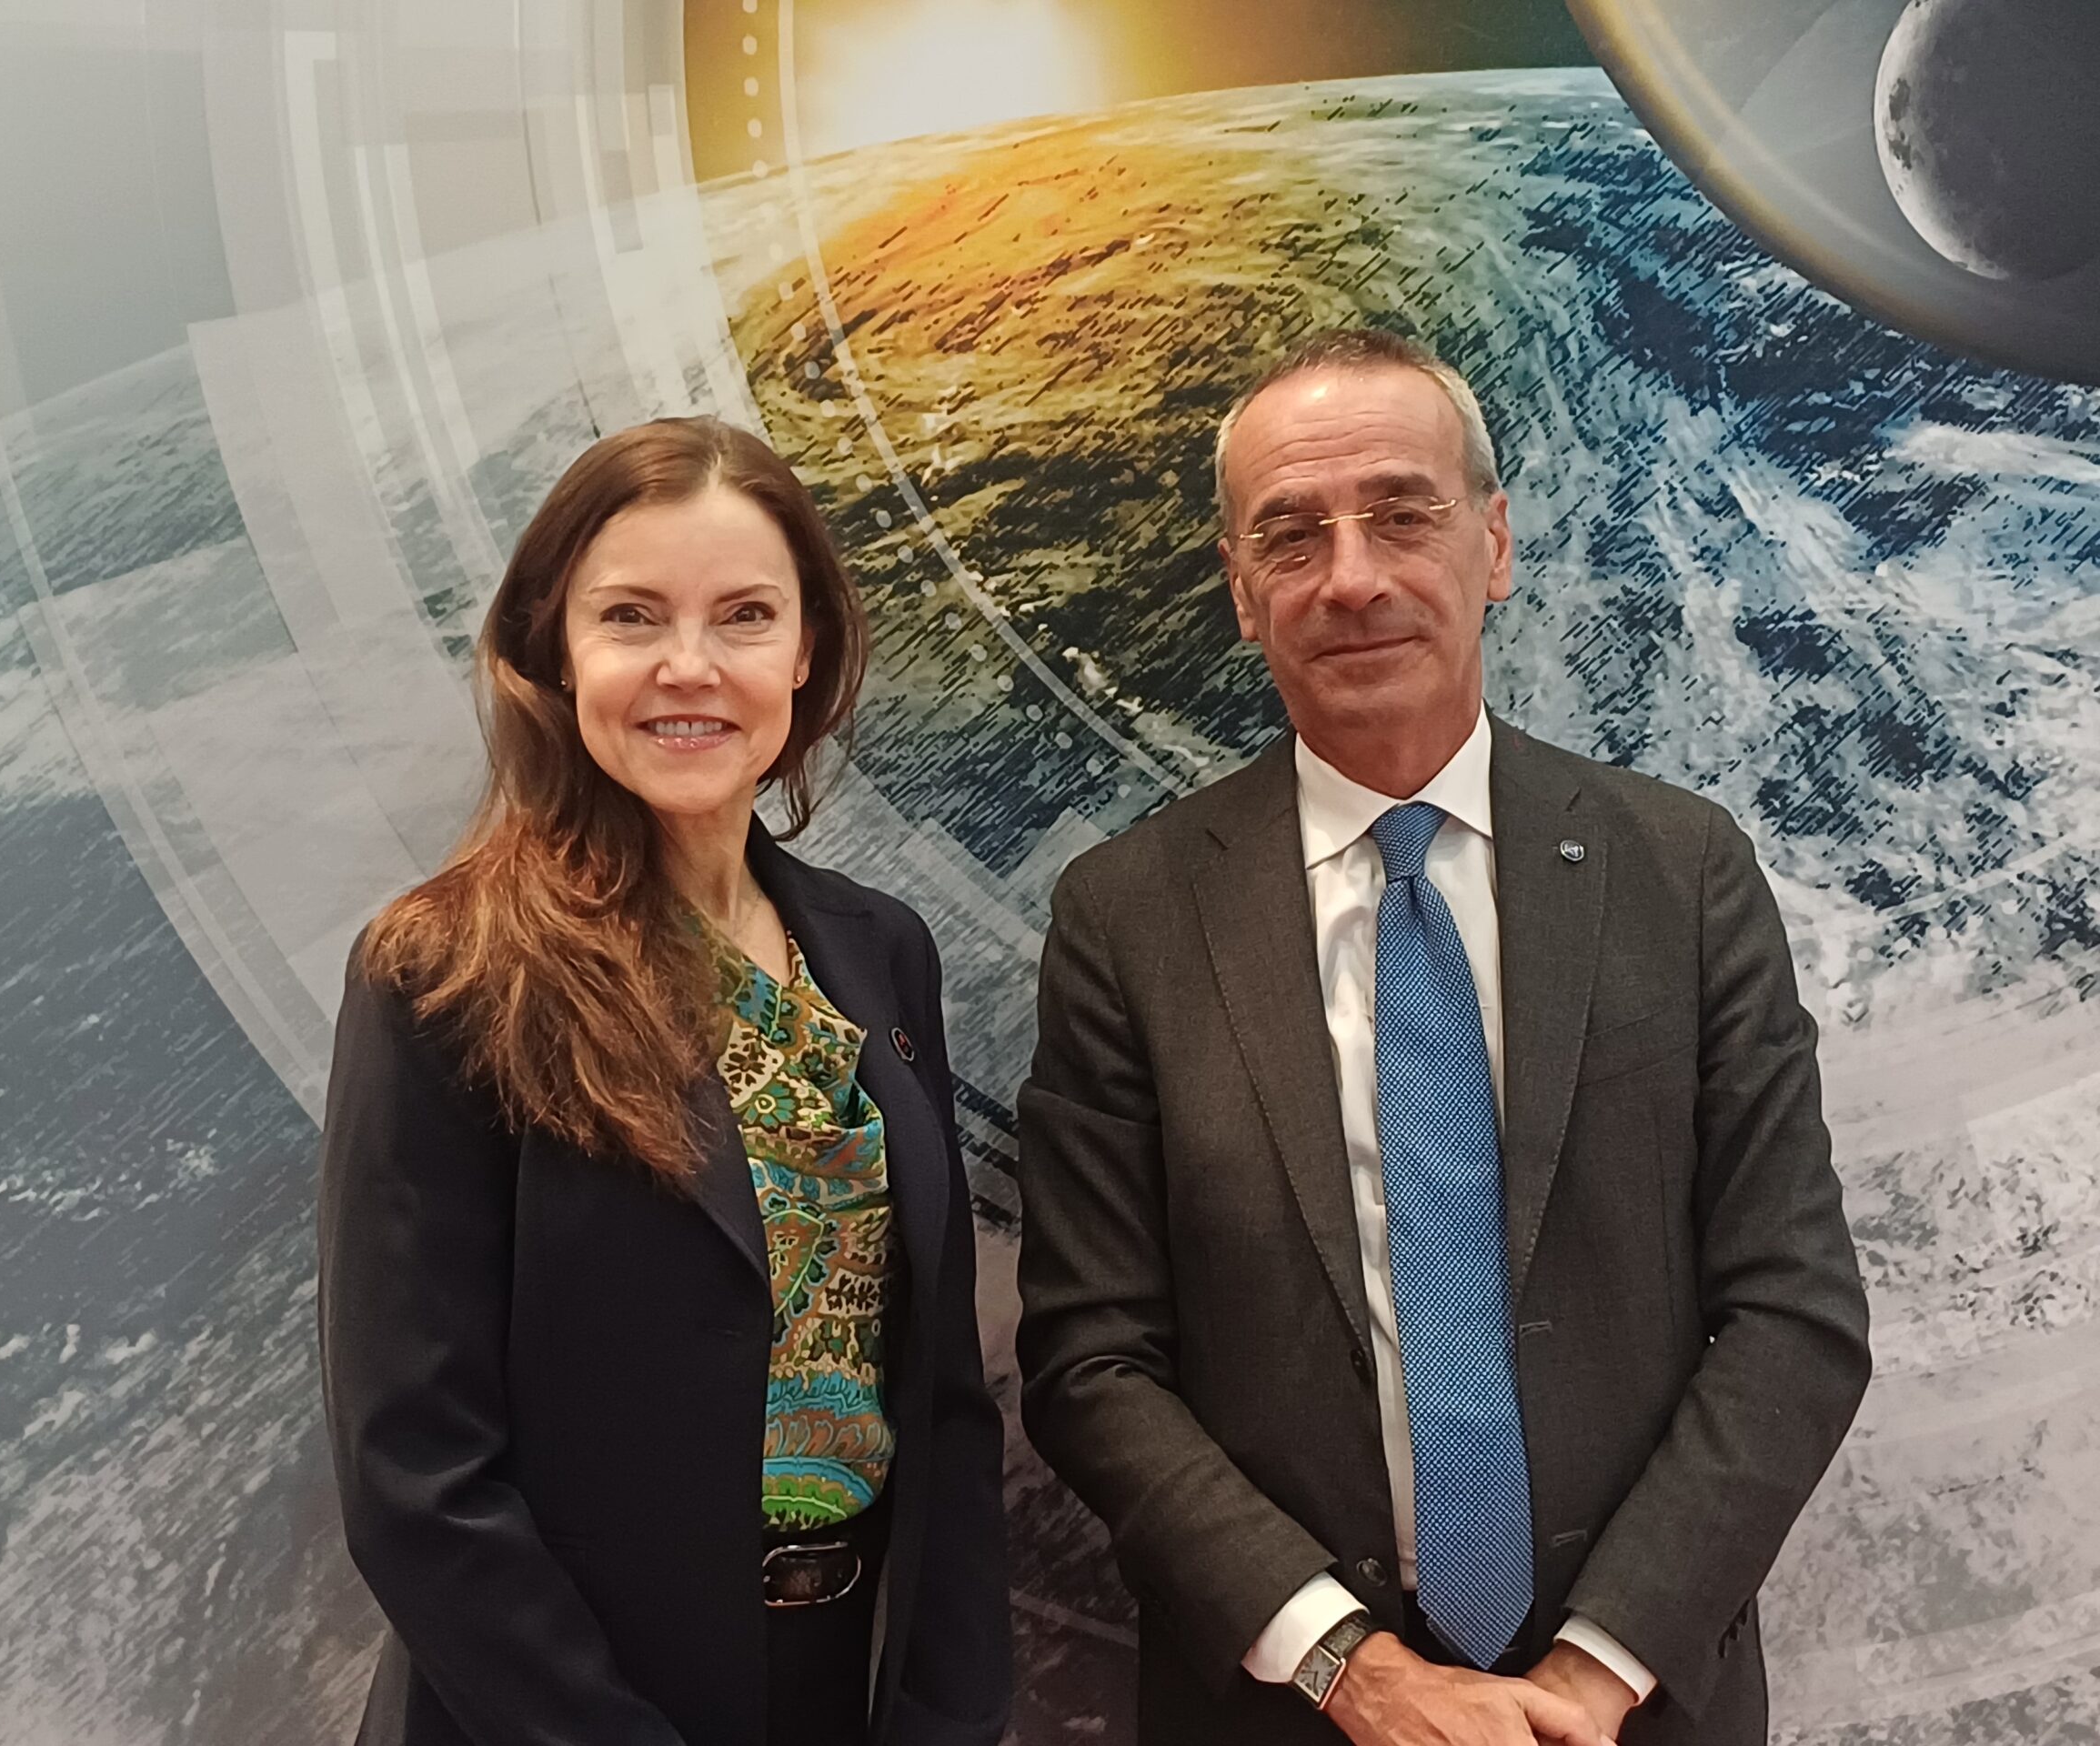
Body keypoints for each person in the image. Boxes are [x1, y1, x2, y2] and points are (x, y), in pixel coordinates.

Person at [1012, 328, 1870, 1746]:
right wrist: (1354, 1672)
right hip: (1289, 1712)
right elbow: (1093, 1356)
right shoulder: (1127, 917)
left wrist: (1592, 1676)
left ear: (1495, 543)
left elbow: (1796, 1312)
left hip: (1636, 1707)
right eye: (1292, 535)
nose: (1351, 576)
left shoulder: (1682, 871)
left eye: (1403, 515)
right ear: (1241, 590)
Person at [318, 416, 1011, 1746]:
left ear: (805, 652)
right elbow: (416, 1477)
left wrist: (949, 1714)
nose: (689, 666)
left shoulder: (881, 953)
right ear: (553, 649)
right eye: (631, 616)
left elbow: (939, 1406)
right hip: (564, 1712)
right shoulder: (447, 977)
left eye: (744, 616)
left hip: (850, 1689)